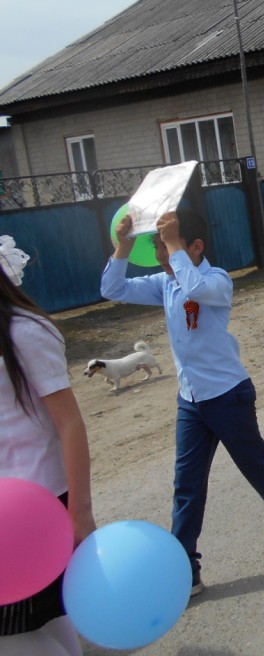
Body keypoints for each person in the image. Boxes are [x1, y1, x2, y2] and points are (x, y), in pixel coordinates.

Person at [101, 209, 264, 597]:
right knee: (187, 484)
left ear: (196, 246)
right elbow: (112, 289)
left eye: (168, 246)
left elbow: (196, 289)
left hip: (228, 394)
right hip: (191, 400)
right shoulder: (165, 283)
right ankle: (185, 568)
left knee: (255, 462)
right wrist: (124, 245)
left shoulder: (217, 280)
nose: (161, 255)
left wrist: (174, 246)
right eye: (158, 247)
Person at [1, 236, 95, 656]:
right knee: (48, 618)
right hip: (8, 509)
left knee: (15, 631)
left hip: (36, 507)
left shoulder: (24, 331)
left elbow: (69, 423)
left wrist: (80, 514)